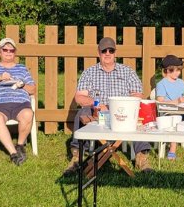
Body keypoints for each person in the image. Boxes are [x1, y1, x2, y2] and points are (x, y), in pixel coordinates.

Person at [63, 37, 152, 175]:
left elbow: (138, 95)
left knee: (137, 116)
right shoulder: (89, 72)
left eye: (111, 50)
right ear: (99, 52)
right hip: (97, 111)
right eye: (104, 50)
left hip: (122, 110)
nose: (108, 53)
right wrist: (98, 104)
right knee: (81, 114)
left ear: (115, 52)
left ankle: (142, 158)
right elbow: (79, 97)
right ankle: (77, 157)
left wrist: (119, 105)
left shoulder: (127, 71)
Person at [0, 37, 37, 165]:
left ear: (15, 52)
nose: (8, 52)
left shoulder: (22, 68)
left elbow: (32, 89)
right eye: (5, 49)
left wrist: (21, 85)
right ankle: (14, 154)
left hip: (20, 103)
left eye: (11, 50)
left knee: (28, 114)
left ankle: (20, 145)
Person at [154, 54, 184, 161]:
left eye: (179, 70)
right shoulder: (161, 84)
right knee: (175, 118)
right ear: (167, 70)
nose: (178, 73)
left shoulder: (181, 82)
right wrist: (176, 101)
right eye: (175, 70)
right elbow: (161, 101)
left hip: (183, 109)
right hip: (170, 112)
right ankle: (172, 148)